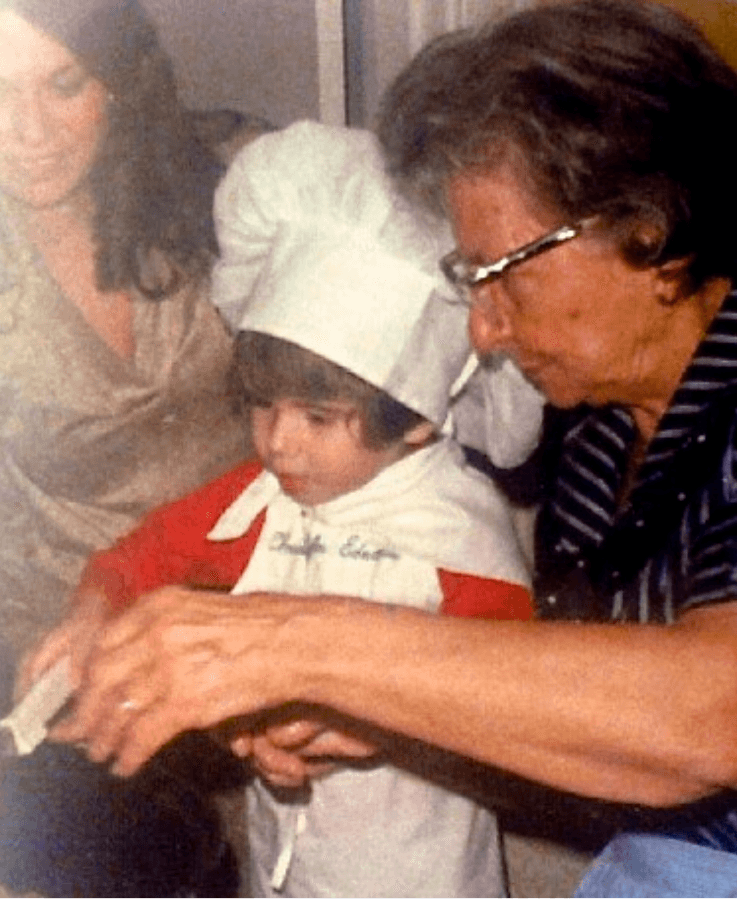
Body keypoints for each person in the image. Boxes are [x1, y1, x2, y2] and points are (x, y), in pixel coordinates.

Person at [45, 2, 737, 897]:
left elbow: (728, 716)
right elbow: (588, 710)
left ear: (644, 226)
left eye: (500, 275)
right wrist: (385, 712)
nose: (484, 332)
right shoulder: (606, 423)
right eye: (468, 282)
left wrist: (293, 644)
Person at [55, 119, 533, 898]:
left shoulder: (459, 531)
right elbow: (140, 559)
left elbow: (514, 706)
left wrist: (378, 719)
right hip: (291, 866)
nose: (278, 442)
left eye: (317, 417)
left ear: (413, 415)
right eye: (262, 404)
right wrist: (96, 608)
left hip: (417, 875)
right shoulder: (259, 496)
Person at [0, 0, 256, 894]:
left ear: (119, 78)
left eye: (62, 84)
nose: (25, 133)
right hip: (69, 629)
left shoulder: (234, 183)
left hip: (268, 570)